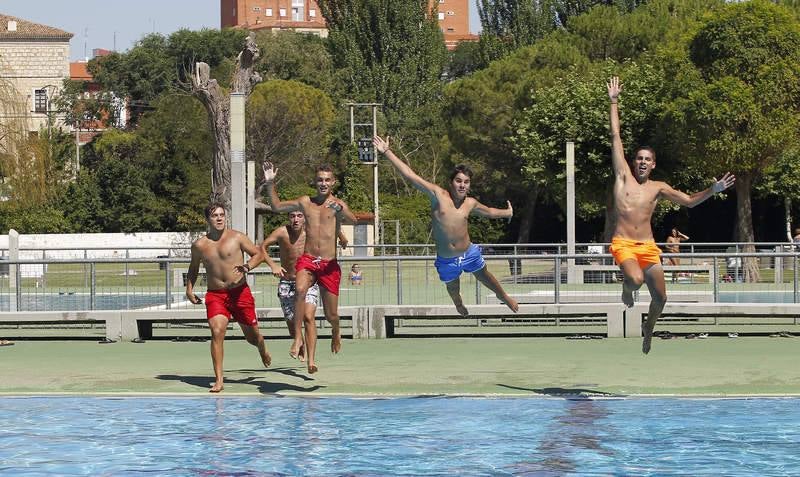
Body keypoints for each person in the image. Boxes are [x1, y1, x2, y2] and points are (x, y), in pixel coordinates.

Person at [606, 76, 735, 354]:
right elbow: (615, 136)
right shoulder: (622, 177)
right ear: (633, 161)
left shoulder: (658, 187)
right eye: (638, 158)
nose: (641, 162)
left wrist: (712, 189)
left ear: (653, 164)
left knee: (661, 299)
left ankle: (648, 329)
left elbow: (688, 202)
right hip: (624, 244)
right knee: (636, 280)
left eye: (647, 160)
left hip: (649, 248)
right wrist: (614, 101)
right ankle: (627, 290)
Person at [373, 135, 519, 316]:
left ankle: (503, 296)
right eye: (459, 181)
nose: (462, 185)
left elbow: (489, 211)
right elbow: (410, 175)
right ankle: (458, 303)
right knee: (452, 286)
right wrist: (387, 151)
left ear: (469, 185)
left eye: (466, 182)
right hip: (446, 258)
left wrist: (508, 213)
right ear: (451, 183)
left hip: (468, 253)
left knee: (484, 276)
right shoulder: (438, 195)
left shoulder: (470, 203)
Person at [262, 162, 356, 374]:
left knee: (332, 314)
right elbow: (277, 207)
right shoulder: (305, 203)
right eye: (320, 179)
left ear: (333, 182)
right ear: (315, 182)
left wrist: (341, 209)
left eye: (327, 180)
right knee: (300, 289)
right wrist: (270, 184)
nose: (323, 183)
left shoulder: (337, 203)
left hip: (329, 265)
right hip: (309, 260)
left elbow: (354, 219)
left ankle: (336, 330)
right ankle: (297, 338)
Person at [186, 202, 271, 392]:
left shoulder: (237, 237)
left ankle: (262, 347)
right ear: (208, 219)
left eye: (222, 215)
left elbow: (259, 254)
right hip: (216, 295)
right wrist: (189, 289)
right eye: (215, 215)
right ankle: (219, 380)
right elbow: (193, 268)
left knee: (252, 337)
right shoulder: (200, 245)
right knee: (217, 331)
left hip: (239, 292)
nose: (219, 218)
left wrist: (247, 267)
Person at [261, 211, 349, 362]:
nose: (295, 219)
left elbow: (331, 226)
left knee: (308, 317)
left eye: (299, 216)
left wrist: (342, 238)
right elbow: (262, 247)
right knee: (291, 321)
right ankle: (298, 340)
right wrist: (273, 265)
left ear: (305, 218)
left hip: (308, 280)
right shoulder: (282, 232)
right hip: (287, 283)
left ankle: (312, 360)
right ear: (288, 218)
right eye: (292, 216)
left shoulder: (312, 230)